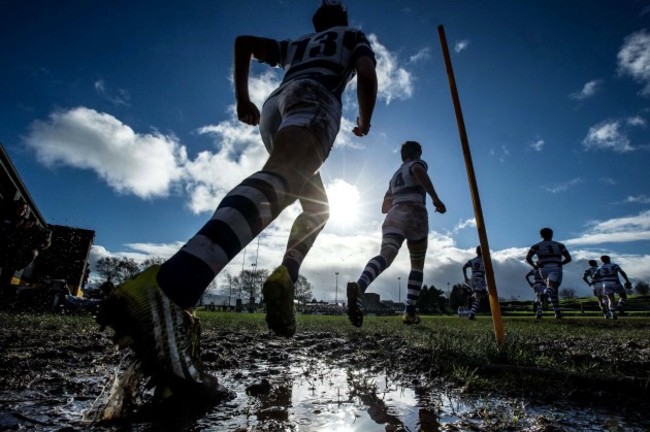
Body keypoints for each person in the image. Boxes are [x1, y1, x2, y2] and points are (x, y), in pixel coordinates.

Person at [98, 0, 378, 402]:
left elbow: (244, 42)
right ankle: (173, 287)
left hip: (275, 107)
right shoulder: (352, 36)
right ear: (344, 21)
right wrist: (365, 120)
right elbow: (366, 73)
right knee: (282, 178)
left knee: (317, 207)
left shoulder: (298, 44)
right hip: (315, 100)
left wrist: (242, 99)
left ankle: (287, 274)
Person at [346, 140, 446, 327]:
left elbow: (384, 207)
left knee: (386, 255)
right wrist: (435, 199)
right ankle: (409, 312)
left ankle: (360, 286)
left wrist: (398, 198)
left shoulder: (394, 177)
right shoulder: (416, 164)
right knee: (417, 264)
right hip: (415, 213)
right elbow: (419, 171)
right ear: (417, 154)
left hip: (394, 214)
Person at [525, 227, 571, 319]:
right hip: (555, 267)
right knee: (553, 288)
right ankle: (545, 296)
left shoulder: (536, 246)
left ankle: (557, 313)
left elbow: (528, 258)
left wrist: (534, 266)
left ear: (541, 235)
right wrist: (560, 263)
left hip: (543, 269)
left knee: (551, 288)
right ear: (552, 234)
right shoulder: (560, 245)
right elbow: (568, 258)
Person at [0, 199, 29, 287]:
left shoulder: (25, 223)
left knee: (5, 279)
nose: (22, 210)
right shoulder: (6, 216)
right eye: (20, 208)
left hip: (11, 256)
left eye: (24, 209)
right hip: (3, 248)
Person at [594, 255, 632, 319]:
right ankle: (620, 304)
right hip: (616, 282)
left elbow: (595, 278)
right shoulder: (614, 265)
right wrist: (627, 281)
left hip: (606, 284)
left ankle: (613, 312)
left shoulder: (599, 268)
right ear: (609, 259)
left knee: (610, 299)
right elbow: (622, 272)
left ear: (602, 261)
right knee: (623, 296)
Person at [462, 246, 486, 320]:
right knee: (479, 296)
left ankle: (470, 308)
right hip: (480, 279)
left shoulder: (472, 260)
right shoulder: (485, 260)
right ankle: (471, 313)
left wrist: (465, 277)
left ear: (476, 252)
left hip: (473, 279)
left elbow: (464, 267)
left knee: (479, 295)